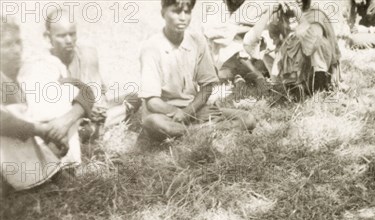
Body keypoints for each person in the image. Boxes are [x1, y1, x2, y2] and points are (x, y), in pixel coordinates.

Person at [138, 0, 256, 141]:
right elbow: (152, 101)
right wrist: (177, 112)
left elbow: (207, 86)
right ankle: (209, 130)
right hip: (165, 113)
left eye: (187, 12)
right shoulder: (151, 48)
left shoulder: (196, 41)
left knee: (248, 119)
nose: (182, 17)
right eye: (176, 12)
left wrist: (188, 112)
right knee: (154, 123)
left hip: (193, 109)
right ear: (163, 12)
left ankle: (190, 132)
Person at [0, 18, 94, 193]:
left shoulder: (31, 68)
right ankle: (33, 182)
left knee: (60, 95)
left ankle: (59, 169)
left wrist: (64, 122)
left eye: (18, 42)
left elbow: (85, 91)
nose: (16, 50)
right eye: (6, 45)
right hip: (14, 161)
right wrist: (41, 130)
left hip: (45, 146)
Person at [44, 7, 138, 131]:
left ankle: (97, 126)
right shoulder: (44, 63)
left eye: (72, 34)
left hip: (91, 110)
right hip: (69, 115)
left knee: (135, 97)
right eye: (61, 36)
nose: (68, 40)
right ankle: (95, 127)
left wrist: (99, 107)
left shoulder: (87, 54)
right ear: (48, 37)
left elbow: (96, 98)